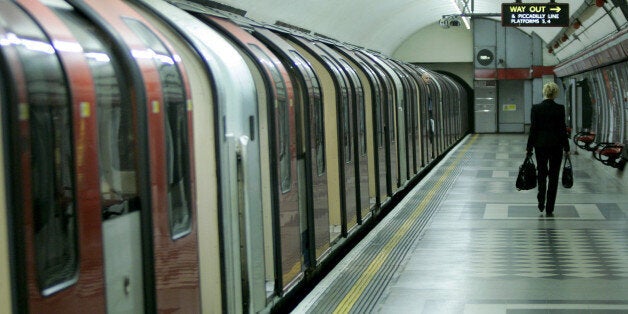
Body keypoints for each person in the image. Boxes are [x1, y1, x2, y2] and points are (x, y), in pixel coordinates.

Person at [526, 82, 570, 216]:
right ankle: (550, 207)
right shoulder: (560, 108)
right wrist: (567, 147)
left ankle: (541, 200)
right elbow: (562, 129)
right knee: (554, 176)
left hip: (540, 146)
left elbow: (533, 129)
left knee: (542, 173)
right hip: (556, 146)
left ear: (544, 92)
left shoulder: (536, 108)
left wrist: (529, 148)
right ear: (555, 93)